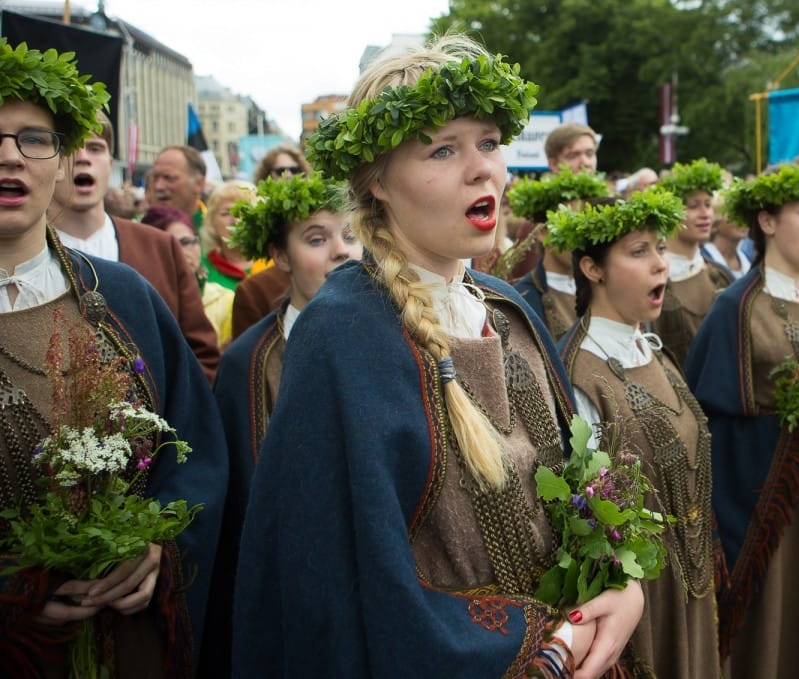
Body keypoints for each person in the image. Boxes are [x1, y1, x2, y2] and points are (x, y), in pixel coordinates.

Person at [233, 34, 642, 678]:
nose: (481, 169)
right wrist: (544, 645)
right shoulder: (341, 335)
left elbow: (580, 496)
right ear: (377, 185)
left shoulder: (509, 309)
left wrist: (621, 585)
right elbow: (339, 594)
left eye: (486, 142)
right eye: (442, 150)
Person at [0, 40, 226, 677]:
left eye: (33, 138)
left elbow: (196, 448)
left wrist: (157, 547)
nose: (9, 156)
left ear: (64, 157)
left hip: (132, 642)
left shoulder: (123, 295)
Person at [685, 155, 799, 679]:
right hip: (770, 513)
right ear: (766, 221)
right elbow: (706, 429)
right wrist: (795, 431)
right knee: (776, 629)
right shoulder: (736, 309)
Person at [551, 188, 721, 679]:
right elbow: (580, 521)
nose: (660, 265)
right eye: (639, 251)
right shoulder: (579, 372)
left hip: (690, 582)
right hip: (638, 603)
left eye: (661, 248)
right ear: (592, 268)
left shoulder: (651, 348)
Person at [203, 172, 360, 677]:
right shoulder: (247, 362)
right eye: (317, 238)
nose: (340, 251)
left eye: (351, 234)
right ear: (282, 255)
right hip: (296, 598)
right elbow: (239, 512)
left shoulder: (399, 340)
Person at [49, 111, 222, 380]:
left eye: (96, 148)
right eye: (70, 147)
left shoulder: (161, 247)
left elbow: (202, 355)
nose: (83, 158)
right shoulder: (27, 252)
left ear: (110, 162)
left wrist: (170, 414)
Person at [509, 168, 609, 340]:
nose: (582, 237)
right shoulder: (522, 300)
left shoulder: (604, 288)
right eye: (569, 224)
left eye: (587, 225)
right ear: (542, 231)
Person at [655, 159, 733, 367]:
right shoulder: (655, 282)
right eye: (693, 206)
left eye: (708, 204)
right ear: (670, 212)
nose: (705, 214)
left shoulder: (721, 276)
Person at [141, 204, 237, 349]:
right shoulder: (141, 299)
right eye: (177, 244)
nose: (188, 251)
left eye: (192, 241)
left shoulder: (224, 299)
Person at [200, 180, 256, 291]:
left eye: (243, 212)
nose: (235, 220)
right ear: (212, 221)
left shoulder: (275, 263)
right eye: (225, 213)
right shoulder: (201, 268)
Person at [148, 144, 208, 230]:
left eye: (168, 178)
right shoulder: (137, 232)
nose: (158, 186)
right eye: (154, 177)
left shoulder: (216, 234)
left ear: (199, 184)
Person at [702, 191, 754, 280]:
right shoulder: (703, 259)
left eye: (745, 214)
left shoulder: (748, 258)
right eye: (733, 214)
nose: (742, 220)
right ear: (715, 223)